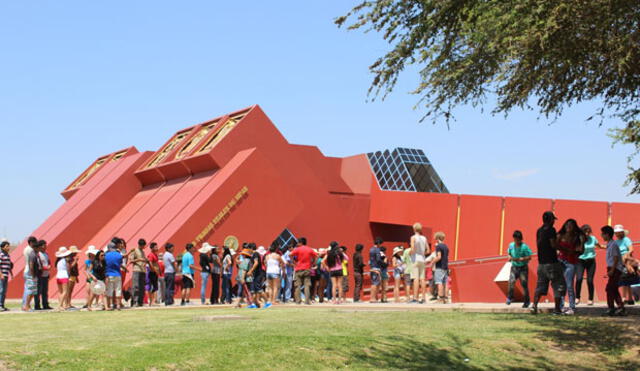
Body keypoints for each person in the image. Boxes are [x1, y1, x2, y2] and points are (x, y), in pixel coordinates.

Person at [531, 211, 566, 315]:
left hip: (541, 264)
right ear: (550, 220)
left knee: (540, 286)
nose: (554, 222)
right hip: (552, 263)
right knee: (557, 285)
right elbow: (553, 244)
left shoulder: (539, 230)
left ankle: (534, 306)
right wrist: (564, 249)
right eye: (553, 220)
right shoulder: (551, 230)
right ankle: (557, 309)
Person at [557, 219, 585, 315]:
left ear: (574, 227)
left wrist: (575, 253)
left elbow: (582, 250)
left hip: (570, 263)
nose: (568, 227)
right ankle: (560, 307)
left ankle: (571, 307)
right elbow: (554, 246)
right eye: (567, 225)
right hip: (560, 262)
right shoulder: (560, 235)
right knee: (561, 286)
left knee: (569, 286)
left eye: (571, 225)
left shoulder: (576, 237)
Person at [602, 225, 626, 316]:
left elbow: (616, 258)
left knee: (609, 288)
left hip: (615, 269)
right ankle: (620, 307)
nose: (602, 236)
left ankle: (611, 308)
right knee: (614, 288)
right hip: (612, 268)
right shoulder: (609, 244)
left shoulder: (613, 244)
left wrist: (612, 270)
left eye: (603, 234)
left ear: (607, 234)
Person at [506, 230, 532, 307]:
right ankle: (510, 297)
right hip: (514, 267)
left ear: (521, 239)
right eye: (515, 239)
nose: (516, 241)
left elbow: (530, 257)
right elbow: (509, 253)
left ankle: (526, 301)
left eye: (518, 239)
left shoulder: (524, 247)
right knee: (511, 281)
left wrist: (523, 258)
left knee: (524, 284)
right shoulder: (511, 245)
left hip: (523, 268)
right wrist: (509, 257)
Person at [576, 225, 600, 306]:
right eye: (585, 232)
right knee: (579, 279)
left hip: (591, 261)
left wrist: (609, 247)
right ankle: (577, 297)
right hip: (580, 261)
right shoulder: (578, 239)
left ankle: (590, 299)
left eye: (588, 232)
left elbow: (599, 246)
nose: (586, 233)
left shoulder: (593, 238)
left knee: (590, 280)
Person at [614, 225, 638, 305]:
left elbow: (631, 249)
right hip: (619, 262)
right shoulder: (616, 242)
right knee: (624, 280)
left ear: (622, 232)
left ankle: (627, 298)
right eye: (616, 232)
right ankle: (628, 298)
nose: (617, 234)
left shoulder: (626, 239)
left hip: (626, 261)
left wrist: (626, 255)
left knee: (627, 280)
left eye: (619, 232)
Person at [291, 237, 317, 305]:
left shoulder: (297, 249)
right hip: (307, 268)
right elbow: (316, 256)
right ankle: (307, 301)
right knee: (307, 285)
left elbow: (290, 254)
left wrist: (294, 262)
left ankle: (298, 301)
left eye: (298, 242)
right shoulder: (309, 249)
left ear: (300, 243)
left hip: (298, 268)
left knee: (297, 286)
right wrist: (313, 263)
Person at [410, 223, 428, 303]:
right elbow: (428, 250)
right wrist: (422, 253)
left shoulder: (413, 237)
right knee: (422, 279)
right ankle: (423, 297)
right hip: (422, 259)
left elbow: (413, 248)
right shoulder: (424, 238)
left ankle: (415, 297)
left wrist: (409, 253)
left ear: (414, 229)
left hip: (415, 258)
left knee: (415, 279)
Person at [246, 244, 267, 308]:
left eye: (248, 249)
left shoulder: (255, 254)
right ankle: (253, 304)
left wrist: (250, 271)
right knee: (254, 290)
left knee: (259, 289)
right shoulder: (254, 254)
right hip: (256, 274)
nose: (248, 250)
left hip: (258, 274)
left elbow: (256, 263)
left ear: (251, 248)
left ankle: (267, 302)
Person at [431, 232, 449, 304]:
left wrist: (432, 262)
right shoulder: (446, 246)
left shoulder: (438, 246)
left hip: (439, 267)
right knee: (445, 283)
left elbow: (439, 257)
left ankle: (440, 299)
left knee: (439, 282)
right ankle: (446, 298)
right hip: (445, 266)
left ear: (437, 238)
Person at [129, 239, 148, 307]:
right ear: (140, 245)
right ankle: (134, 301)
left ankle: (140, 302)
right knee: (136, 286)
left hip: (143, 270)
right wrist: (139, 259)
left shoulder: (143, 252)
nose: (144, 247)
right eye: (143, 245)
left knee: (142, 287)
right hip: (136, 270)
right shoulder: (134, 250)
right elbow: (131, 260)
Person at [105, 242, 123, 311]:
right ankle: (118, 305)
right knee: (118, 290)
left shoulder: (106, 255)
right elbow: (120, 263)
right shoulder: (119, 255)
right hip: (118, 274)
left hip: (109, 274)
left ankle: (110, 305)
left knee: (109, 290)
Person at [34, 240, 51, 310]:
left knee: (45, 291)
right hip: (40, 275)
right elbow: (38, 265)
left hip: (46, 275)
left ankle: (45, 304)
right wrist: (45, 268)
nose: (46, 246)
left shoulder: (46, 254)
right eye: (44, 245)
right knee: (38, 291)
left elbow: (49, 262)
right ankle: (37, 305)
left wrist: (49, 266)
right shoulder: (38, 254)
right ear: (40, 246)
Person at [22, 236, 38, 309]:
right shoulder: (30, 250)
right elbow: (31, 263)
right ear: (31, 243)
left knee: (28, 289)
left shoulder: (27, 249)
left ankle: (25, 305)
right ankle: (26, 305)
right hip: (29, 271)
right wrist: (33, 274)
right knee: (29, 289)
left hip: (28, 270)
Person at [55, 247, 72, 311]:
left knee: (60, 292)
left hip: (58, 276)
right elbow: (68, 269)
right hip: (64, 276)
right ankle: (59, 305)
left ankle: (61, 305)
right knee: (65, 291)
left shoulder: (58, 261)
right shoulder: (65, 260)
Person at [369, 238, 383, 303]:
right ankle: (373, 298)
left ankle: (373, 297)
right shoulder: (377, 250)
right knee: (375, 283)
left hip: (372, 267)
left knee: (373, 283)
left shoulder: (371, 249)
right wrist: (383, 263)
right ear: (378, 243)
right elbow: (378, 260)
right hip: (376, 267)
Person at [0, 241, 13, 311]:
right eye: (7, 246)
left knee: (4, 291)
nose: (8, 247)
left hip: (6, 275)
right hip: (2, 276)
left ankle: (2, 305)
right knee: (1, 290)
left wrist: (11, 273)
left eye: (9, 246)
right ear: (2, 247)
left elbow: (9, 266)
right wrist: (1, 274)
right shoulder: (1, 255)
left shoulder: (7, 255)